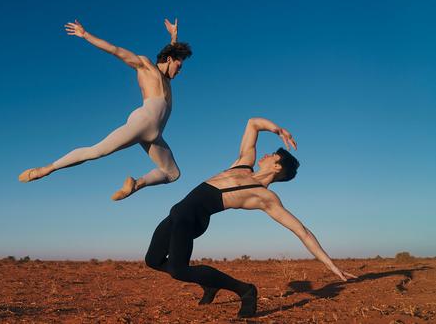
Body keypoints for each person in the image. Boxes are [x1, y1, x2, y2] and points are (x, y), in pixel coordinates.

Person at [144, 117, 357, 318]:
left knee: (178, 269)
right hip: (175, 213)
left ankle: (245, 290)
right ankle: (209, 283)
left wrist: (331, 265)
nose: (266, 154)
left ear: (277, 167)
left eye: (273, 155)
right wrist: (278, 130)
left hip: (191, 220)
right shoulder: (244, 163)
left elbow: (301, 231)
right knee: (152, 260)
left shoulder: (265, 197)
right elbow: (253, 123)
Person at [18, 19, 192, 201]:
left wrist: (173, 36)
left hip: (155, 135)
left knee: (172, 173)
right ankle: (45, 169)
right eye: (179, 66)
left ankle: (136, 184)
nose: (179, 71)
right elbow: (115, 50)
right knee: (96, 151)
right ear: (170, 60)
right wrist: (85, 34)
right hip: (143, 121)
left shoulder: (167, 79)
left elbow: (172, 53)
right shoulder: (146, 66)